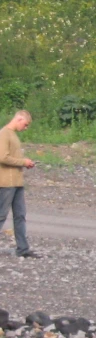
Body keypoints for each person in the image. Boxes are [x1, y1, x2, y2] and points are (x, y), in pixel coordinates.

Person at [0, 110, 40, 258]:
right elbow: (2, 157)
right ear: (19, 118)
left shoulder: (13, 135)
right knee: (1, 215)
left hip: (17, 182)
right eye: (25, 124)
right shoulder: (4, 133)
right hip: (5, 183)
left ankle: (22, 248)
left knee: (20, 215)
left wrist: (24, 163)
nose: (26, 127)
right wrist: (23, 162)